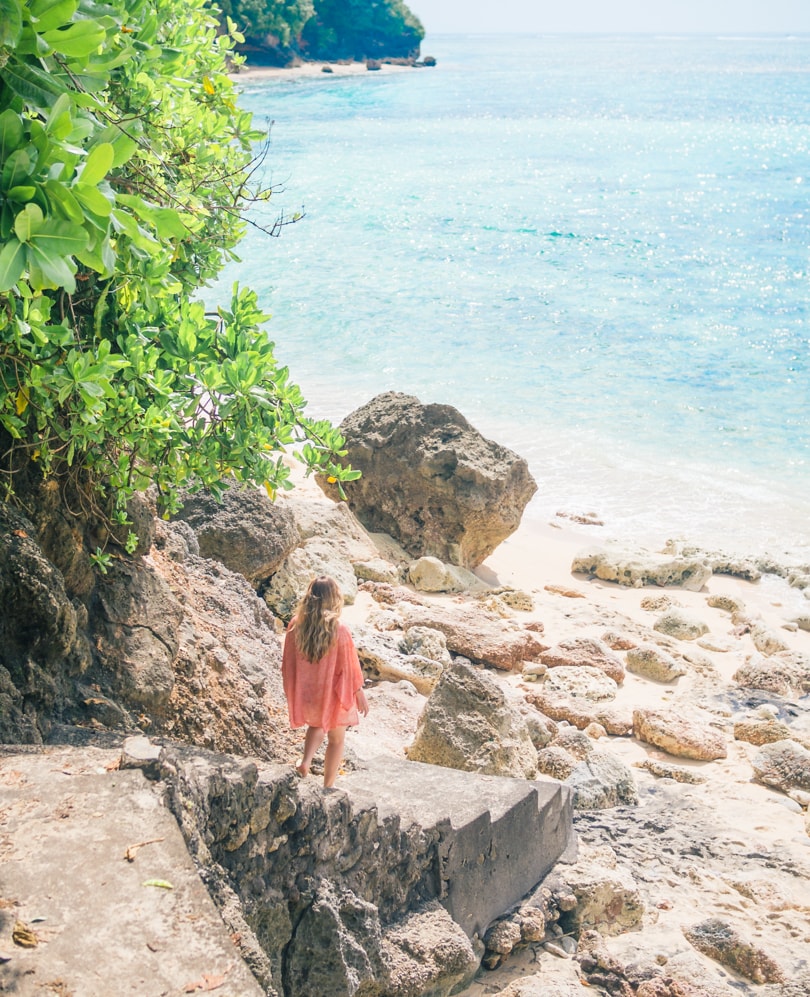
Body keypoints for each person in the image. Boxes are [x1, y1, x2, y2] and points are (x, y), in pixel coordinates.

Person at [281, 575, 368, 787]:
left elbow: (288, 661)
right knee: (336, 740)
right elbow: (349, 667)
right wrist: (358, 693)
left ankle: (306, 761)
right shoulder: (340, 630)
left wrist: (293, 689)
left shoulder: (296, 625)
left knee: (317, 725)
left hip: (309, 691)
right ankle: (328, 786)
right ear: (334, 598)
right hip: (333, 693)